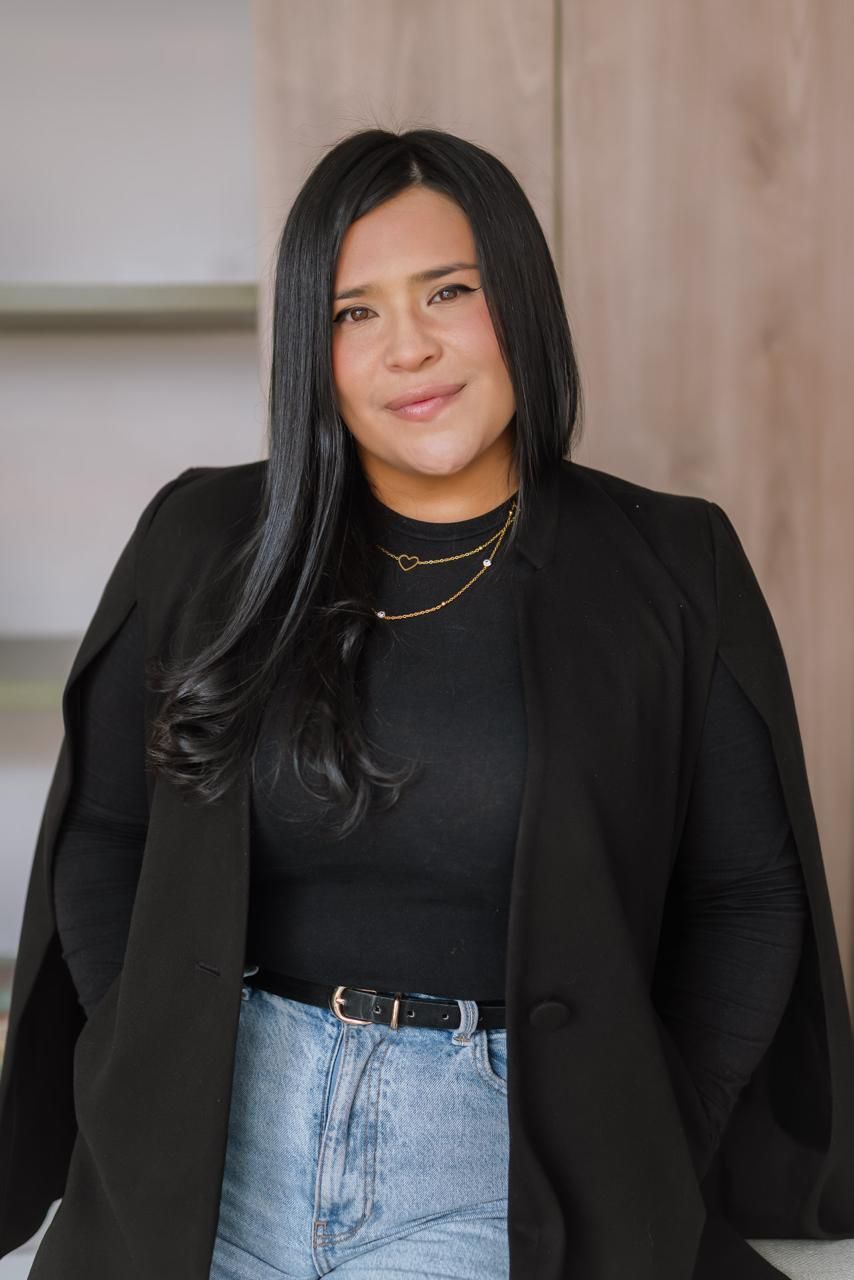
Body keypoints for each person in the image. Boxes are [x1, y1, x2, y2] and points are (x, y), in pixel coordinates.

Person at [2, 127, 852, 1280]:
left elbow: (745, 893)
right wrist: (139, 1060)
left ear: (520, 298)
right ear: (312, 349)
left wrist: (651, 1133)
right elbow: (105, 832)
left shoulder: (669, 562)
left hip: (498, 1165)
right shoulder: (202, 538)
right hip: (204, 1146)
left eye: (447, 290)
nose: (407, 346)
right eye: (352, 311)